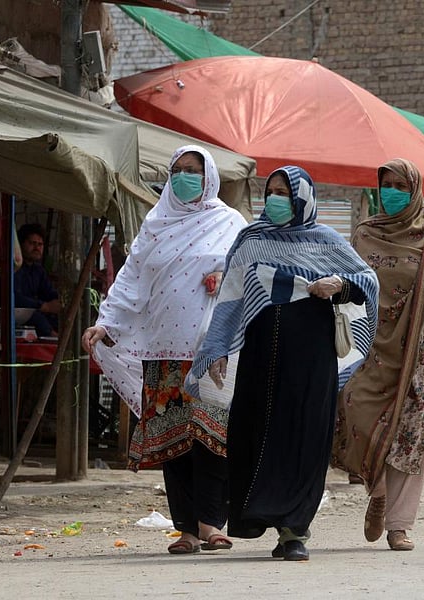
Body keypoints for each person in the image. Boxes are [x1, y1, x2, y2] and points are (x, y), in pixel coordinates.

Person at [187, 165, 379, 561]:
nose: (275, 199)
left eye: (284, 193)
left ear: (303, 198)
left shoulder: (325, 240)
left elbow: (367, 280)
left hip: (311, 357)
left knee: (305, 436)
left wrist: (339, 284)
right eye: (270, 191)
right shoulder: (250, 240)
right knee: (253, 432)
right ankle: (258, 516)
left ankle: (294, 531)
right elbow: (230, 300)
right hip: (260, 357)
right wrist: (219, 347)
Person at [81, 145, 247, 555]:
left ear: (208, 176)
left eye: (192, 170)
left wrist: (223, 274)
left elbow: (249, 271)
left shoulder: (229, 222)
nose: (183, 177)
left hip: (212, 353)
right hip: (163, 352)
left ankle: (212, 523)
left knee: (212, 439)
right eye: (177, 170)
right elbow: (131, 280)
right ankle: (186, 530)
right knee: (175, 443)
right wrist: (105, 323)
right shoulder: (155, 224)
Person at [333, 158, 424, 552]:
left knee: (410, 440)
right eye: (386, 184)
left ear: (414, 190)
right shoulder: (364, 233)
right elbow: (348, 284)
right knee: (352, 407)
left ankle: (399, 526)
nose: (392, 192)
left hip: (419, 353)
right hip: (369, 347)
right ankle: (375, 488)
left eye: (400, 185)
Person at [0, 222, 61, 337]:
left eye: (40, 244)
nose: (37, 248)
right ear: (21, 244)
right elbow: (15, 298)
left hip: (23, 314)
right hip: (1, 314)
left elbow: (49, 294)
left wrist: (56, 303)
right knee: (35, 316)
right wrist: (43, 306)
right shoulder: (10, 266)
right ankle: (53, 337)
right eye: (32, 243)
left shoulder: (38, 270)